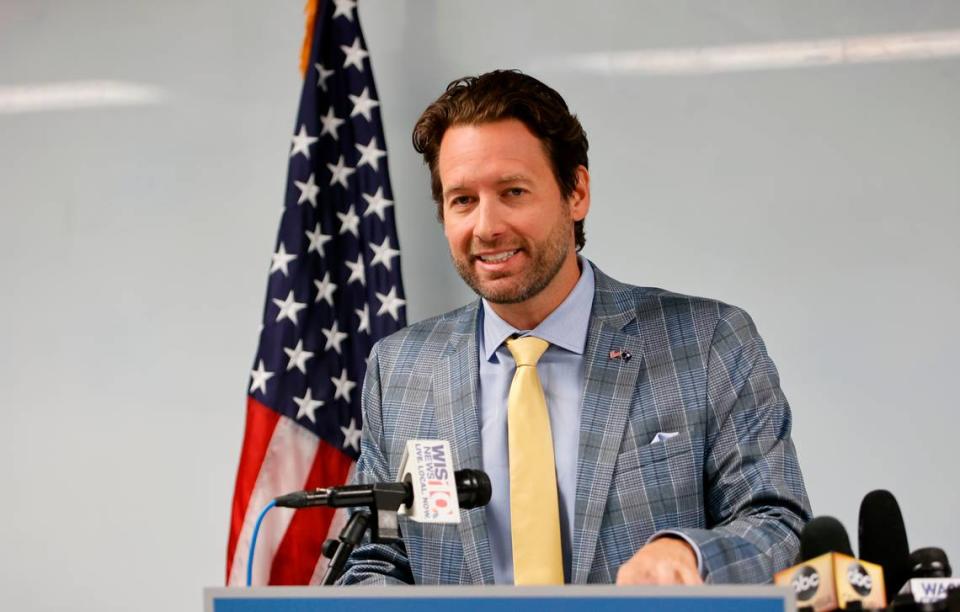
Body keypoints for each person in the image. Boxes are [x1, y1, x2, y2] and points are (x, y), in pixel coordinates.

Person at [338, 69, 811, 586]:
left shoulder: (709, 341)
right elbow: (375, 561)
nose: (487, 226)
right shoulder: (400, 369)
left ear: (576, 192)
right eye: (463, 200)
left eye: (513, 191)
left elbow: (779, 526)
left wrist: (689, 554)